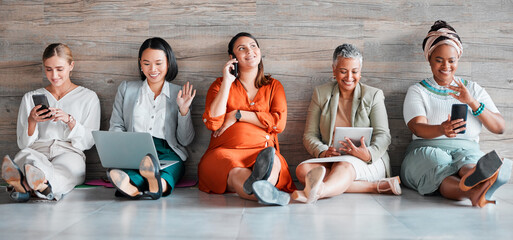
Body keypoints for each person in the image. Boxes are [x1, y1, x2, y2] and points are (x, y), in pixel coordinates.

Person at [401, 20, 511, 207]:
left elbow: (500, 128)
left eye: (452, 60)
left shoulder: (474, 89)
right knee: (438, 166)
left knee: (469, 163)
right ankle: (476, 191)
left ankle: (477, 178)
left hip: (466, 149)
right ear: (429, 59)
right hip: (426, 150)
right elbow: (417, 127)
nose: (446, 66)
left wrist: (472, 102)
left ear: (458, 59)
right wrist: (442, 129)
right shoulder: (418, 90)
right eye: (439, 60)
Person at [292, 44, 401, 204]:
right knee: (303, 170)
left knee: (344, 165)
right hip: (332, 159)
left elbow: (384, 135)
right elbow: (310, 135)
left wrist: (368, 153)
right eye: (343, 71)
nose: (349, 77)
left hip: (368, 159)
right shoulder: (321, 94)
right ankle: (374, 187)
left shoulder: (373, 95)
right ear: (334, 70)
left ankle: (319, 191)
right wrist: (323, 152)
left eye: (355, 71)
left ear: (360, 71)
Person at [198, 32, 295, 206]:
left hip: (263, 150)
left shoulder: (274, 86)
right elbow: (213, 122)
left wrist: (238, 115)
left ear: (259, 51)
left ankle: (263, 186)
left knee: (272, 163)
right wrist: (228, 81)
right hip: (225, 151)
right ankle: (266, 191)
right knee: (235, 172)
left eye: (253, 46)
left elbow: (278, 123)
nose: (249, 51)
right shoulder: (220, 85)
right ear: (232, 57)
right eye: (241, 48)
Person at [1, 43, 101, 202]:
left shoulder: (88, 97)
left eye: (59, 69)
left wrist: (70, 120)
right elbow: (23, 143)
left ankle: (26, 185)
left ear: (71, 66)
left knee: (66, 171)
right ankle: (39, 184)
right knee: (27, 157)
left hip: (69, 152)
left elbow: (88, 142)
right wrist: (32, 121)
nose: (54, 75)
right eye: (48, 69)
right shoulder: (30, 97)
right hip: (37, 149)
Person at [107, 37, 196, 200]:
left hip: (167, 151)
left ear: (168, 63)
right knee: (127, 170)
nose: (153, 69)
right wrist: (122, 150)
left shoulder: (179, 93)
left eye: (158, 63)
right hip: (134, 148)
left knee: (170, 171)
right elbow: (116, 125)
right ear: (140, 64)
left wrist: (184, 111)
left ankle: (154, 185)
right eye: (147, 63)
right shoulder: (126, 89)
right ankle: (138, 184)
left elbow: (185, 140)